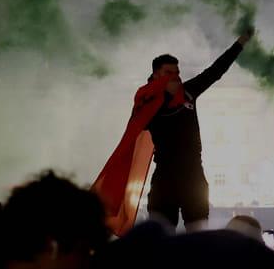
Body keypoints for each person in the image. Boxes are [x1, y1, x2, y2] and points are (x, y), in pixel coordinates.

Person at [92, 29, 253, 235]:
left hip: (194, 174)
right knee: (161, 236)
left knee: (198, 234)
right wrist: (161, 95)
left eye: (177, 72)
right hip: (165, 177)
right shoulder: (147, 101)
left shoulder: (188, 92)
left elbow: (215, 71)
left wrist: (239, 44)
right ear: (156, 74)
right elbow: (137, 126)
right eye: (169, 73)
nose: (175, 77)